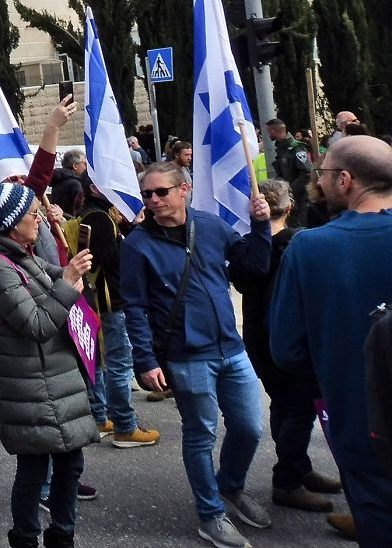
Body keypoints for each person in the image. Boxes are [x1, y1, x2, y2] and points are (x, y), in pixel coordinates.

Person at [121, 162, 272, 548]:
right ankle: (210, 515)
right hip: (186, 356)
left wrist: (260, 226)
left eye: (161, 192)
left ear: (184, 190)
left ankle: (230, 487)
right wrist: (145, 360)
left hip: (231, 348)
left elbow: (253, 269)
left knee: (249, 428)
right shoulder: (137, 244)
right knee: (201, 435)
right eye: (147, 194)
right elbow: (134, 308)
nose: (154, 200)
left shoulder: (210, 225)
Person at [271, 136, 392, 541]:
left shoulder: (309, 248)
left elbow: (286, 350)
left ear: (344, 179)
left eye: (322, 173)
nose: (318, 181)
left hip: (362, 420)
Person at [0, 182, 97, 548]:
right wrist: (68, 284)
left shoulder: (22, 255)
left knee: (70, 465)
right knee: (34, 470)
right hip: (28, 385)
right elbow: (37, 324)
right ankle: (26, 537)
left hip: (55, 379)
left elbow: (54, 274)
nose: (38, 219)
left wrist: (72, 268)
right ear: (12, 223)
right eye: (32, 214)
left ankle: (62, 535)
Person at [228, 179, 341, 513]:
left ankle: (299, 467)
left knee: (283, 404)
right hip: (293, 338)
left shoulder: (245, 246)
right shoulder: (300, 243)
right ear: (289, 207)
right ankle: (288, 480)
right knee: (300, 409)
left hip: (260, 339)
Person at [76, 181, 159, 450]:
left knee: (103, 363)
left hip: (104, 299)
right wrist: (131, 229)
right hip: (112, 299)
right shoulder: (100, 218)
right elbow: (115, 261)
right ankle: (125, 426)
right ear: (94, 188)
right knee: (119, 364)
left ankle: (101, 417)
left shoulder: (92, 213)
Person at [264, 119, 314, 225]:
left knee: (300, 226)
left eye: (269, 131)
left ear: (273, 131)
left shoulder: (296, 148)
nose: (268, 135)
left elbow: (306, 172)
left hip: (300, 198)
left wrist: (289, 190)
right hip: (290, 199)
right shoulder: (281, 148)